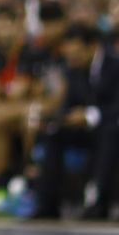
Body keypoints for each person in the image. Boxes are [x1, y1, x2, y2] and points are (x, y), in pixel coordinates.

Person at [29, 24, 118, 220]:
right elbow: (68, 104)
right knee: (53, 131)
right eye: (68, 54)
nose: (72, 58)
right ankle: (47, 204)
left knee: (110, 132)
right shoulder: (73, 70)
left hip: (111, 128)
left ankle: (96, 202)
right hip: (88, 131)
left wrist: (89, 115)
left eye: (76, 52)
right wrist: (59, 118)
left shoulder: (114, 65)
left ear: (93, 46)